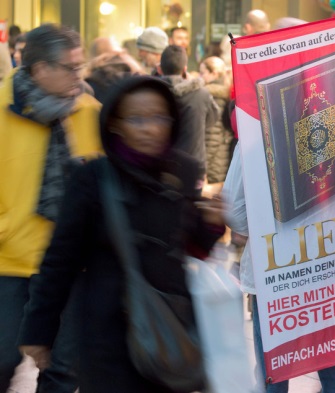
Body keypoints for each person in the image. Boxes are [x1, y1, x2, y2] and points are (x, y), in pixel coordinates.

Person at [18, 75, 225, 392]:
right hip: (107, 335)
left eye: (159, 117)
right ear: (114, 124)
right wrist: (39, 332)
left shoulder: (183, 171)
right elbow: (60, 260)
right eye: (137, 119)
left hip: (168, 328)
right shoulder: (92, 178)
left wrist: (211, 223)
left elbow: (193, 243)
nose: (150, 128)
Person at [0, 23, 102, 392]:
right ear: (41, 69)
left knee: (64, 370)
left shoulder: (90, 112)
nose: (81, 75)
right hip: (9, 262)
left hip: (71, 264)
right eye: (72, 68)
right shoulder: (1, 111)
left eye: (81, 66)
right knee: (2, 360)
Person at [222, 144, 335, 393]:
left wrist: (266, 228)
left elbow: (235, 211)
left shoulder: (256, 132)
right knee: (334, 367)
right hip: (329, 264)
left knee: (275, 370)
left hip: (276, 268)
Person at [158, 44, 218, 191]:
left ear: (160, 69)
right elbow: (211, 120)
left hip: (161, 166)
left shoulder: (153, 93)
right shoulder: (201, 94)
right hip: (194, 165)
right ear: (185, 69)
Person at [199, 56, 234, 186]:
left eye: (203, 73)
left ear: (214, 73)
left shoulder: (214, 97)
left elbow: (212, 137)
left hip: (214, 165)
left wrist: (203, 168)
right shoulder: (223, 94)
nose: (200, 77)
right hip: (220, 160)